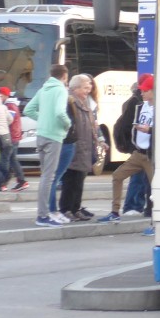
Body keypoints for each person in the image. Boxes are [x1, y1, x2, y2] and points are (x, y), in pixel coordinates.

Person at [22, 63, 71, 227]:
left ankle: (43, 213)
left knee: (45, 176)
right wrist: (67, 124)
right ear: (64, 76)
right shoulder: (61, 90)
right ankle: (42, 215)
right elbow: (59, 112)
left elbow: (28, 110)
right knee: (48, 177)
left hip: (41, 135)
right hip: (54, 136)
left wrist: (43, 119)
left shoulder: (44, 89)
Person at [102, 74, 155, 223]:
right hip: (138, 153)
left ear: (153, 91)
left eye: (145, 90)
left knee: (156, 187)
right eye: (142, 90)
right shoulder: (139, 106)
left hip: (152, 155)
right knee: (117, 176)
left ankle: (156, 220)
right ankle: (114, 211)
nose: (142, 93)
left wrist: (149, 130)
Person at [58, 74, 102, 222]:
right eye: (85, 88)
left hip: (84, 146)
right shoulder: (70, 101)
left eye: (89, 88)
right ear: (75, 88)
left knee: (79, 181)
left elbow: (91, 125)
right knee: (70, 180)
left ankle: (75, 208)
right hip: (74, 145)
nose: (88, 91)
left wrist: (99, 140)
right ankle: (66, 209)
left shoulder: (84, 102)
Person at [0, 87, 29, 190]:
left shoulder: (9, 106)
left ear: (5, 95)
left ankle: (3, 182)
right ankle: (21, 181)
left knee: (4, 160)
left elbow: (9, 121)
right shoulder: (12, 105)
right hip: (14, 136)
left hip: (10, 137)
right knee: (13, 159)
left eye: (0, 95)